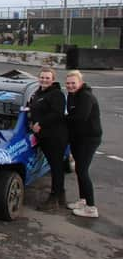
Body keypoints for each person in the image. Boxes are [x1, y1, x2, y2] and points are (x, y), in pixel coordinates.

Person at [65, 70, 102, 218]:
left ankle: (91, 208)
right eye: (68, 83)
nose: (70, 86)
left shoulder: (86, 97)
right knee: (79, 170)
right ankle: (83, 200)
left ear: (80, 82)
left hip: (89, 138)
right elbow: (72, 116)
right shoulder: (72, 95)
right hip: (78, 138)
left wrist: (61, 119)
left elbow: (80, 118)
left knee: (82, 170)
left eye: (73, 83)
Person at [29, 66, 67, 211]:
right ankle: (61, 197)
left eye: (47, 78)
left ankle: (54, 199)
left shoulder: (56, 94)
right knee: (55, 166)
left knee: (56, 167)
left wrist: (40, 123)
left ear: (53, 80)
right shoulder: (39, 93)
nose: (44, 80)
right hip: (44, 135)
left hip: (55, 136)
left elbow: (58, 114)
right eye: (42, 77)